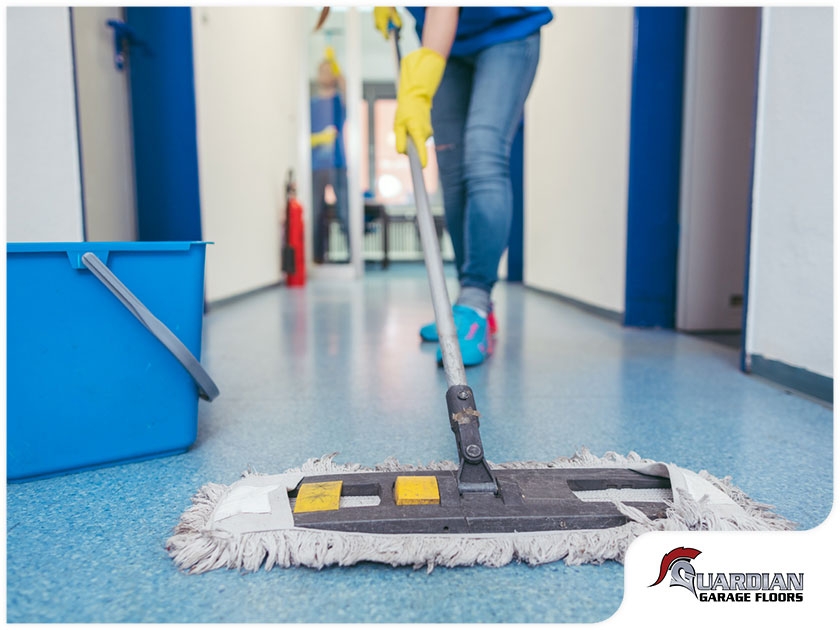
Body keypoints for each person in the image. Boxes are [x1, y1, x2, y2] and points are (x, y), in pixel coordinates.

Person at [374, 6, 552, 366]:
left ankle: (475, 299)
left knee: (484, 155)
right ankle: (468, 306)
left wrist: (421, 87)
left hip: (508, 31)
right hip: (448, 45)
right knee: (452, 173)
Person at [310, 46, 350, 263]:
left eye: (329, 70)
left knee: (344, 210)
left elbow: (347, 89)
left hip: (337, 164)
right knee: (317, 213)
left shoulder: (338, 101)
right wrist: (317, 139)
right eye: (321, 70)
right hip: (316, 166)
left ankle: (352, 256)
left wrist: (334, 61)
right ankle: (317, 257)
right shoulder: (311, 103)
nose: (325, 74)